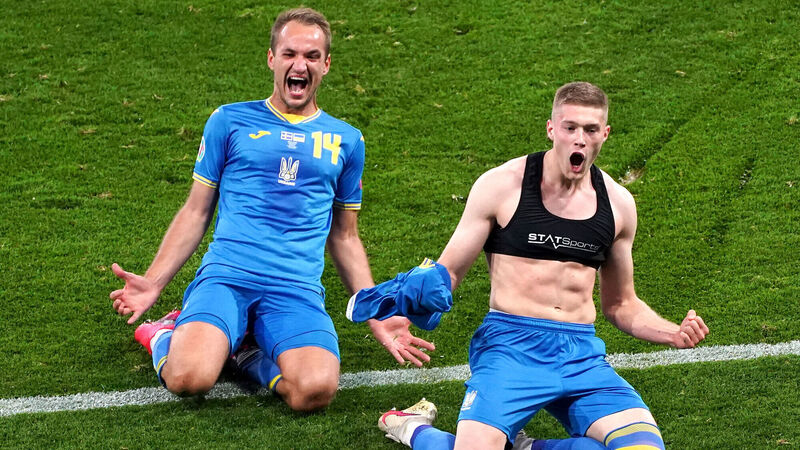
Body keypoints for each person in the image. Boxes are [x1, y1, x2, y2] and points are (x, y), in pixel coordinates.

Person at [349, 82, 709, 448]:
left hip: (580, 356)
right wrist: (410, 304)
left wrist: (672, 333)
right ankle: (412, 427)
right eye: (570, 127)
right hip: (510, 346)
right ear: (551, 129)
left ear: (605, 134)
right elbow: (450, 271)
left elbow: (621, 304)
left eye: (590, 129)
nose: (579, 139)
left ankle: (522, 445)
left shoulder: (618, 205)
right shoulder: (502, 186)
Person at [109, 7, 434, 412]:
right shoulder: (229, 121)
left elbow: (345, 235)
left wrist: (376, 310)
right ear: (271, 59)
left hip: (295, 289)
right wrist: (154, 282)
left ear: (326, 65)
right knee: (188, 378)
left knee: (315, 390)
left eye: (312, 56)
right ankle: (162, 334)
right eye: (289, 54)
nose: (300, 65)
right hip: (227, 278)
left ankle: (245, 354)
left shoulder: (347, 140)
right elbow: (196, 211)